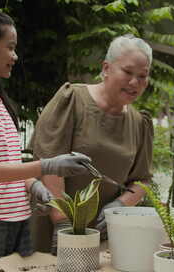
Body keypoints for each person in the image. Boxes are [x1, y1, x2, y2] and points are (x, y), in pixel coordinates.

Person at [0, 7, 92, 271]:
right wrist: (48, 166)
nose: (15, 56)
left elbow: (5, 164)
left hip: (15, 218)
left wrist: (32, 185)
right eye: (10, 47)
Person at [29, 34, 154, 254]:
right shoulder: (72, 100)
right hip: (53, 231)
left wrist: (120, 207)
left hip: (104, 237)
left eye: (143, 76)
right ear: (106, 68)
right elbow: (48, 163)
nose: (135, 82)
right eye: (127, 72)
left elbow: (142, 180)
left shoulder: (139, 123)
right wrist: (62, 222)